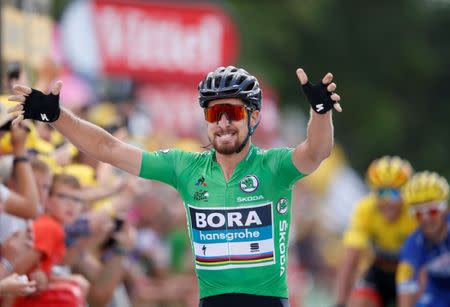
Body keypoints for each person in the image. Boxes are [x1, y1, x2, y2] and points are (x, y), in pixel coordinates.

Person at [7, 65, 342, 306]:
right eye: (214, 115)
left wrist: (321, 111)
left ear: (253, 118)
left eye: (232, 113)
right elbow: (109, 149)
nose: (223, 123)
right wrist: (57, 116)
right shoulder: (185, 166)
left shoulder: (274, 167)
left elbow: (316, 151)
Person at [334, 156, 417, 307]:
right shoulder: (365, 209)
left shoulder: (413, 213)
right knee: (360, 302)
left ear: (406, 192)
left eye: (394, 193)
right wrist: (340, 302)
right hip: (379, 272)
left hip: (409, 272)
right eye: (381, 192)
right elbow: (351, 257)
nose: (387, 200)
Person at [396, 171, 450, 307]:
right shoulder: (412, 244)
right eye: (418, 213)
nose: (426, 218)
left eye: (432, 210)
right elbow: (405, 291)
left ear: (445, 209)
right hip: (439, 292)